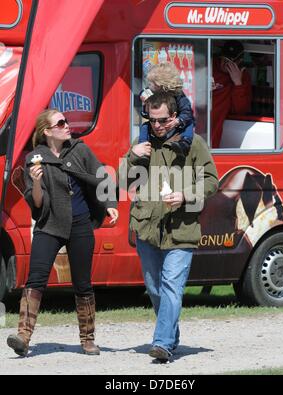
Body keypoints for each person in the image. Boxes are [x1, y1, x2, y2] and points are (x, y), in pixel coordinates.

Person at [7, 109, 118, 357]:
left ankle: (88, 339)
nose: (67, 125)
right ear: (47, 131)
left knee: (82, 283)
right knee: (35, 279)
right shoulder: (35, 158)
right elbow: (37, 204)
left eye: (67, 121)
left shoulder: (79, 149)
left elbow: (102, 177)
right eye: (60, 123)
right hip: (50, 225)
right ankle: (23, 336)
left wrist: (110, 203)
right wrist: (36, 182)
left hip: (80, 224)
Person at [119, 92, 218, 362]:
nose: (158, 126)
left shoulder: (193, 143)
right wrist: (131, 155)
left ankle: (161, 343)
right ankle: (171, 335)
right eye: (152, 121)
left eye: (163, 120)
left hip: (181, 230)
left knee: (172, 286)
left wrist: (185, 194)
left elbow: (211, 181)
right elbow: (122, 181)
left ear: (175, 117)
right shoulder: (142, 143)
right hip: (147, 229)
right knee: (155, 289)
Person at [139, 61, 194, 157]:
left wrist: (178, 121)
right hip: (162, 125)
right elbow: (146, 115)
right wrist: (145, 104)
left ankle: (184, 143)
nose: (150, 87)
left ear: (162, 85)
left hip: (177, 122)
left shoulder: (178, 95)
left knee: (189, 125)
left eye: (153, 84)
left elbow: (187, 112)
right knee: (144, 127)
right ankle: (143, 145)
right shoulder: (152, 92)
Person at [212, 40, 252, 148]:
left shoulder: (243, 77)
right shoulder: (209, 66)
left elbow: (240, 110)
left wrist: (238, 83)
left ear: (239, 61)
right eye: (223, 59)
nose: (224, 63)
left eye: (229, 61)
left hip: (216, 129)